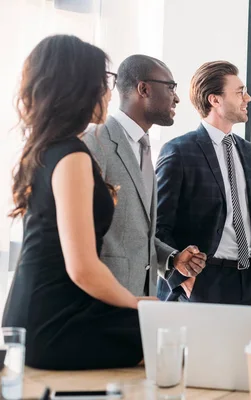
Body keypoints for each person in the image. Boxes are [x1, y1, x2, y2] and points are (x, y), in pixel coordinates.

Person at [2, 35, 144, 369]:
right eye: (105, 81)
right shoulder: (72, 157)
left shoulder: (45, 151)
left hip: (36, 314)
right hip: (54, 323)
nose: (109, 91)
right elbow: (83, 269)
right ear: (79, 86)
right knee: (170, 334)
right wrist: (138, 305)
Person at [155, 61, 251, 314]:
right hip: (202, 282)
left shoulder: (248, 152)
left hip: (247, 283)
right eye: (239, 92)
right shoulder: (179, 151)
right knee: (205, 356)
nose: (247, 97)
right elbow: (158, 225)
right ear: (214, 100)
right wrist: (182, 278)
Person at [82, 55, 206, 297]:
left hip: (139, 299)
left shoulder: (144, 147)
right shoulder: (95, 141)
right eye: (171, 87)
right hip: (101, 301)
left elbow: (135, 233)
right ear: (144, 89)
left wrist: (172, 259)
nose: (177, 98)